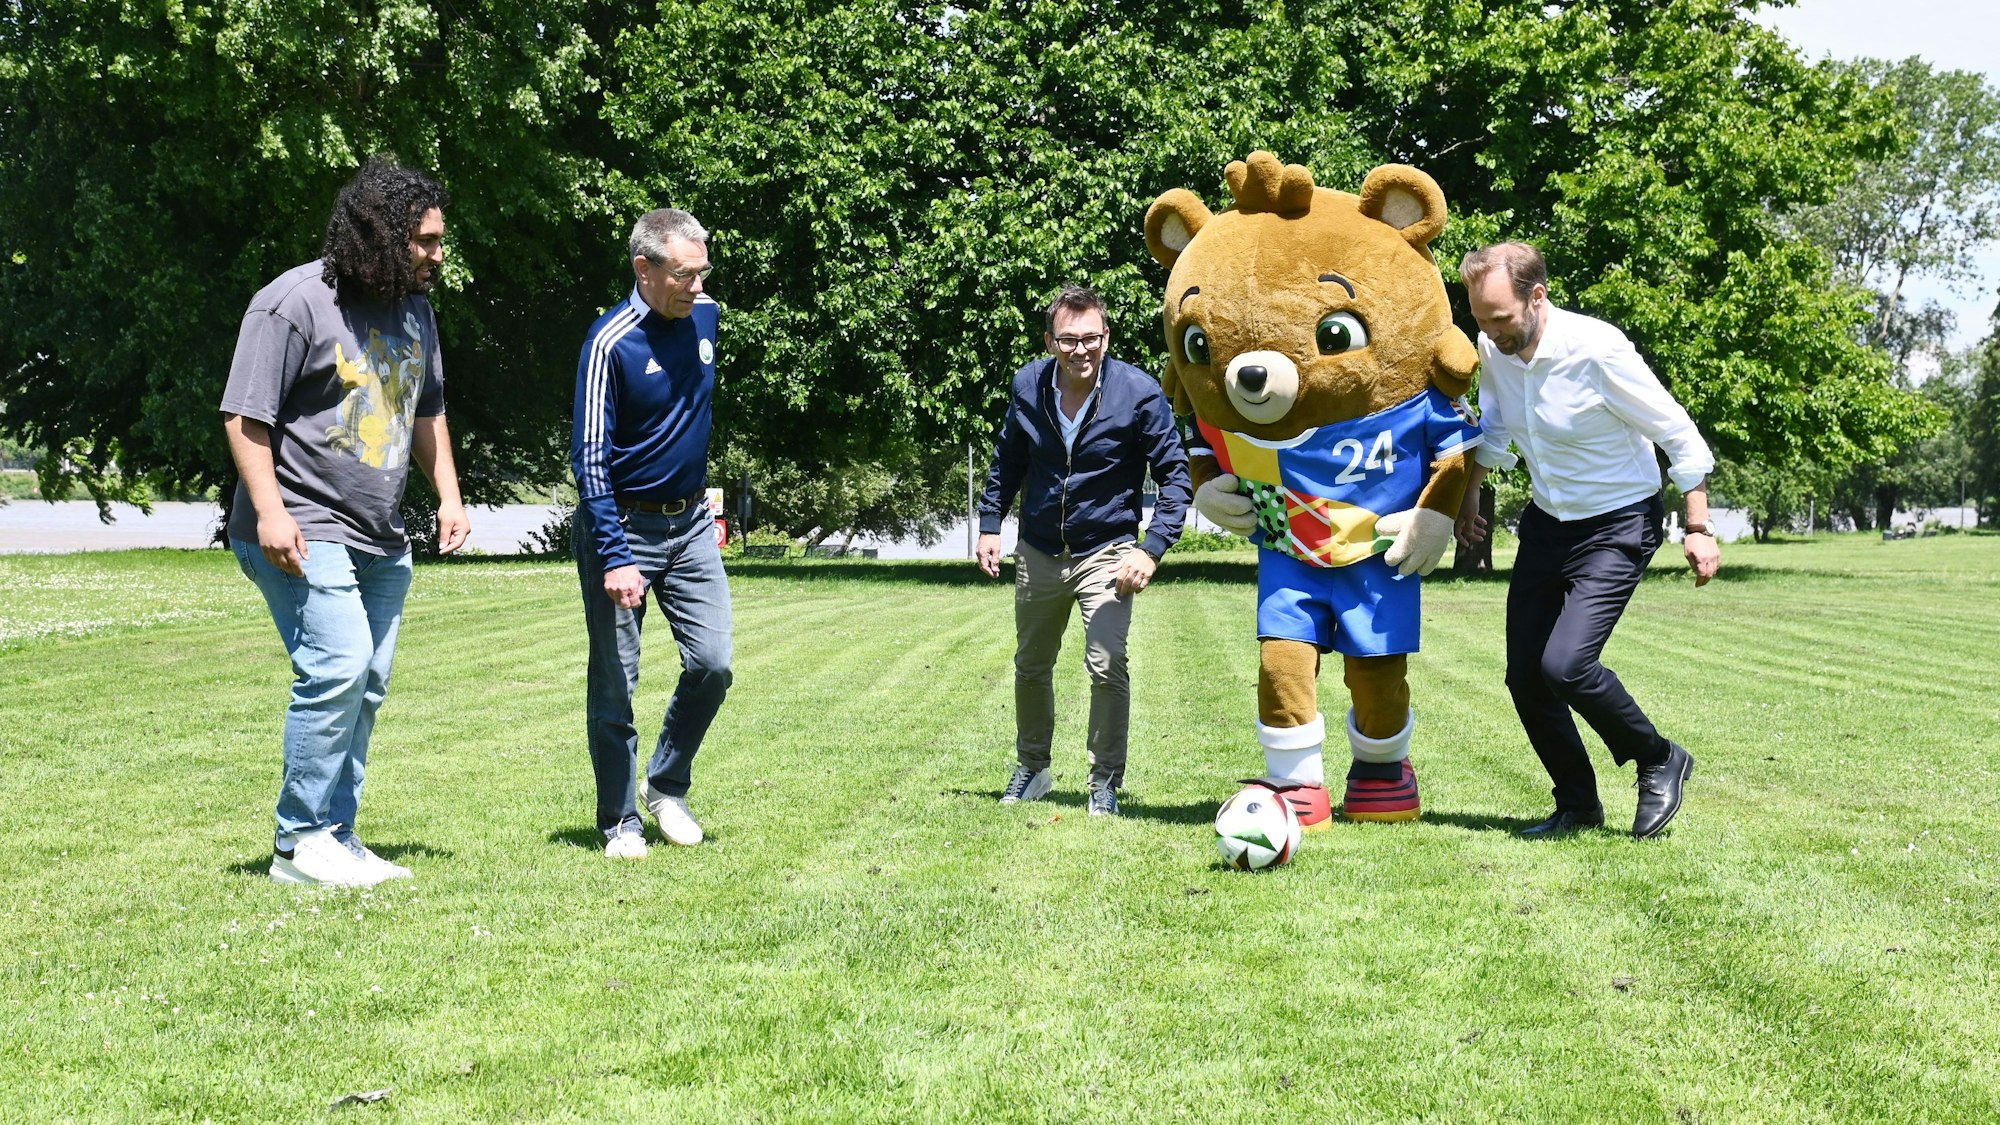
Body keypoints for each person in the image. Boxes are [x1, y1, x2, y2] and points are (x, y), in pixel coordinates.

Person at [221, 155, 468, 887]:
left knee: (367, 679)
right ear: (380, 235)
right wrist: (269, 512)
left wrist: (448, 493)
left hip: (377, 531)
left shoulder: (415, 311)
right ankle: (298, 843)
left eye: (439, 240)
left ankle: (337, 833)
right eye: (424, 240)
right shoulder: (293, 301)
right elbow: (244, 416)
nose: (437, 254)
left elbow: (428, 411)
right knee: (336, 663)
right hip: (298, 521)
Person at [1454, 242, 1720, 840]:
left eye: (1500, 318)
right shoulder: (1493, 346)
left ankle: (1658, 757)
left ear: (1537, 296)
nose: (1490, 333)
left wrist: (1698, 528)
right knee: (1525, 675)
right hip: (1550, 522)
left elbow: (1678, 435)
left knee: (1566, 665)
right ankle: (1577, 804)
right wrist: (1469, 494)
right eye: (1479, 319)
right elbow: (1494, 426)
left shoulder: (1597, 350)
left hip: (1618, 522)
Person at [976, 285, 1192, 816]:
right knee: (1030, 665)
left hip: (1108, 549)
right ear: (1050, 341)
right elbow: (1008, 460)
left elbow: (1175, 475)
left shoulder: (1138, 393)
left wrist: (1152, 548)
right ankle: (1033, 767)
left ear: (1106, 336)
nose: (1082, 350)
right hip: (1040, 549)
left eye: (1091, 338)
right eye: (1069, 340)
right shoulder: (1028, 386)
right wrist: (988, 524)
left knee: (1107, 661)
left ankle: (1104, 782)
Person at [572, 208, 732, 860]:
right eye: (684, 274)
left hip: (691, 523)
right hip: (624, 531)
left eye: (703, 272)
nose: (697, 286)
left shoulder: (707, 318)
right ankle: (620, 822)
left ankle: (665, 784)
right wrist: (615, 554)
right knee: (618, 681)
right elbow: (589, 458)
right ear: (645, 268)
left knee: (713, 663)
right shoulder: (609, 343)